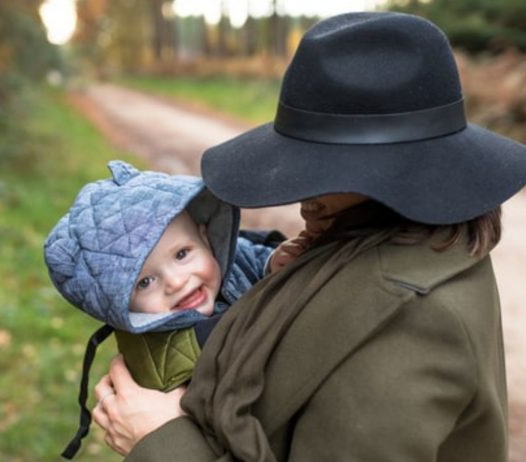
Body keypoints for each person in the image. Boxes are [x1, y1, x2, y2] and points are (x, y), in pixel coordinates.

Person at [91, 12, 526, 462]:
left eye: (323, 169)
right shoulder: (405, 246)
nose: (303, 200)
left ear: (400, 175)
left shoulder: (410, 318)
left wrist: (159, 441)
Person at [43, 160, 283, 458]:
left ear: (205, 236)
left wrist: (272, 261)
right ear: (120, 305)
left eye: (182, 254)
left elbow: (241, 252)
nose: (176, 282)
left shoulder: (218, 269)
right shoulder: (169, 357)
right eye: (144, 282)